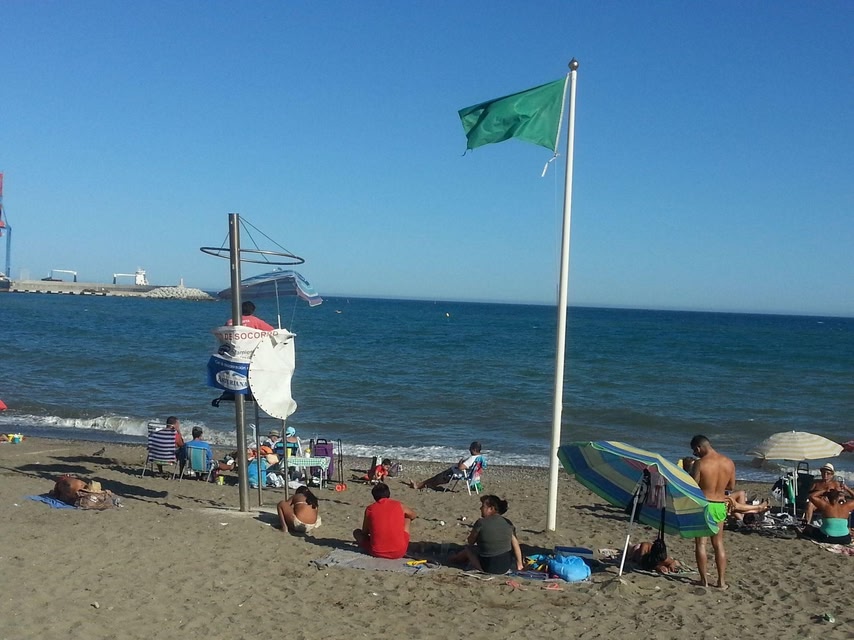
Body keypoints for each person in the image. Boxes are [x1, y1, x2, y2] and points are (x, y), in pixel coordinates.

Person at [689, 434, 736, 590]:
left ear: (698, 448)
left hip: (704, 504)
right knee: (718, 544)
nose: (695, 454)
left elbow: (693, 485)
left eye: (695, 451)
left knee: (701, 544)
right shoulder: (728, 462)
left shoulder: (700, 463)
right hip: (720, 505)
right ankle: (721, 582)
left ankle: (704, 581)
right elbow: (731, 486)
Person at [450, 494, 524, 574]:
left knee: (468, 550)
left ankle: (455, 560)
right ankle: (520, 565)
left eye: (483, 506)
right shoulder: (508, 522)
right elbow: (515, 544)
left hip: (488, 567)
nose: (480, 508)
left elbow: (470, 541)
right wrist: (519, 564)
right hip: (505, 566)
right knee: (509, 543)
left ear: (491, 508)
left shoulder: (481, 523)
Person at [353, 483, 417, 559]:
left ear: (374, 497)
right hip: (399, 551)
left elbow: (364, 532)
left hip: (377, 552)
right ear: (388, 494)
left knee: (356, 532)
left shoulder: (370, 509)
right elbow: (413, 515)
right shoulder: (398, 505)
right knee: (407, 518)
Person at [407, 441, 483, 491]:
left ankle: (418, 485)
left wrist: (460, 462)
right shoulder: (481, 458)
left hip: (454, 473)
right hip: (470, 475)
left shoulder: (472, 458)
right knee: (435, 479)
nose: (469, 449)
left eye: (470, 448)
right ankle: (421, 484)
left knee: (436, 478)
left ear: (474, 449)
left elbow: (461, 467)